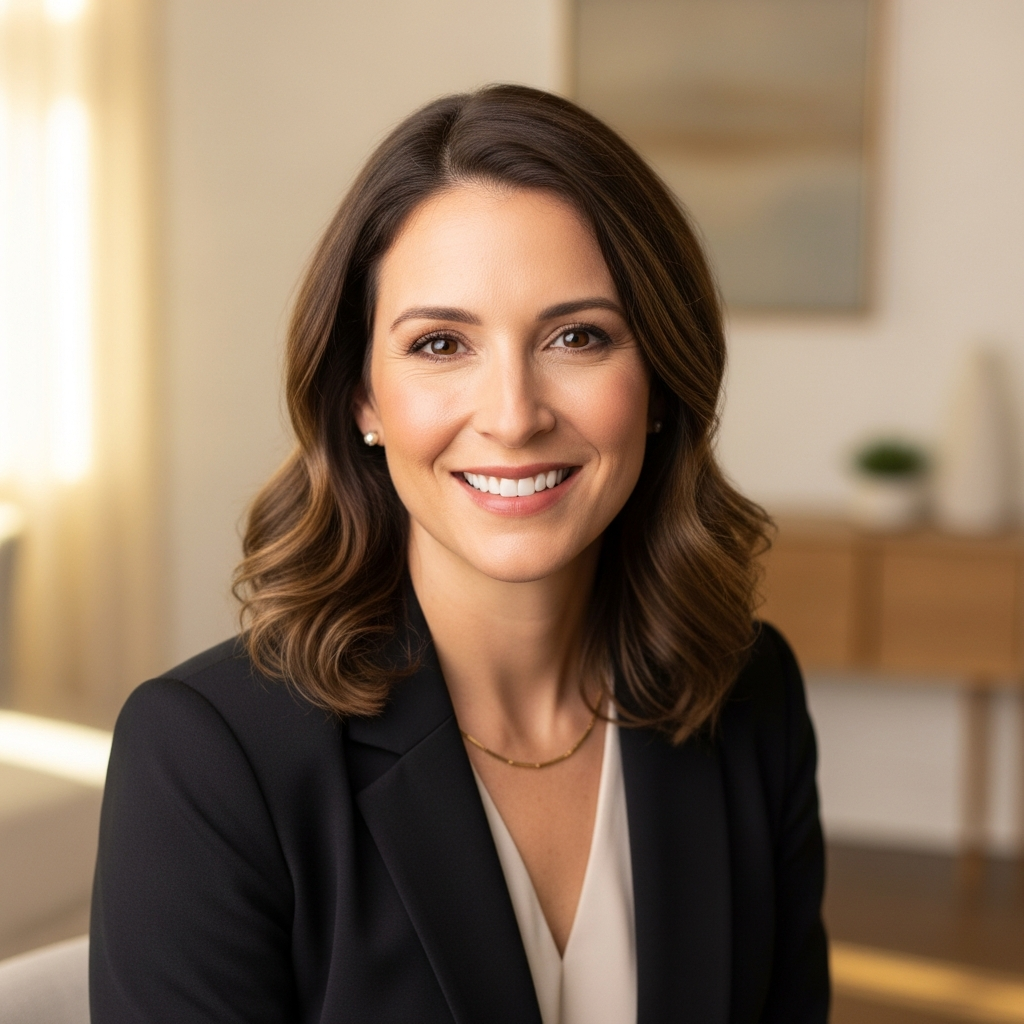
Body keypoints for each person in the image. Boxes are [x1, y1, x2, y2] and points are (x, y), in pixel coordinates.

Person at [90, 85, 828, 1023]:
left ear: (659, 382)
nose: (514, 416)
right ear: (362, 396)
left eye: (578, 337)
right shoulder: (205, 759)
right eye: (441, 344)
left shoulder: (750, 697)